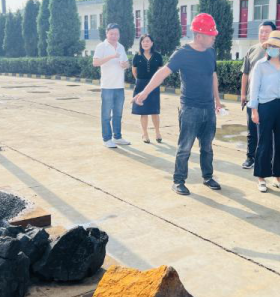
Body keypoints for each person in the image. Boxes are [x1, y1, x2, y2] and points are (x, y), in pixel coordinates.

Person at [132, 13, 223, 196]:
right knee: (185, 147)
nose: (214, 37)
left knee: (207, 147)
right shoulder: (182, 53)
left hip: (208, 108)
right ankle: (178, 180)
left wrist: (217, 100)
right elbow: (162, 73)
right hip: (190, 108)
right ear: (199, 35)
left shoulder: (210, 52)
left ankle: (207, 177)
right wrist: (144, 92)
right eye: (211, 34)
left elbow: (212, 75)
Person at [248, 31, 280, 193]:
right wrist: (254, 110)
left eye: (275, 46)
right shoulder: (261, 65)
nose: (271, 48)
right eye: (269, 46)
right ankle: (261, 177)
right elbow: (254, 88)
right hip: (265, 106)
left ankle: (278, 177)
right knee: (264, 142)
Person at [240, 21, 277, 170]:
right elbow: (245, 73)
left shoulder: (278, 51)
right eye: (261, 31)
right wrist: (243, 94)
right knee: (252, 130)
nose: (263, 34)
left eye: (267, 32)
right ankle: (250, 157)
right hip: (253, 98)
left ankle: (269, 159)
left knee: (270, 131)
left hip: (271, 99)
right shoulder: (252, 50)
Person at [92, 23, 131, 148]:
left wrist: (125, 65)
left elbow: (127, 63)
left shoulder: (121, 47)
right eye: (111, 34)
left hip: (119, 86)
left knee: (118, 114)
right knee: (106, 115)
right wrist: (112, 56)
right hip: (107, 86)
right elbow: (95, 62)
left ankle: (117, 137)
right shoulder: (101, 46)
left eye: (116, 34)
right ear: (107, 34)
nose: (114, 36)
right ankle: (107, 139)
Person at [131, 34, 164, 143]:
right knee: (143, 111)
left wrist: (155, 82)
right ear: (141, 43)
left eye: (147, 41)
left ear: (152, 43)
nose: (145, 43)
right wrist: (139, 81)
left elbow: (160, 71)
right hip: (140, 85)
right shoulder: (137, 56)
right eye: (143, 41)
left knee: (155, 111)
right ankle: (145, 134)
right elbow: (134, 71)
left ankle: (157, 132)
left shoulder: (158, 56)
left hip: (154, 85)